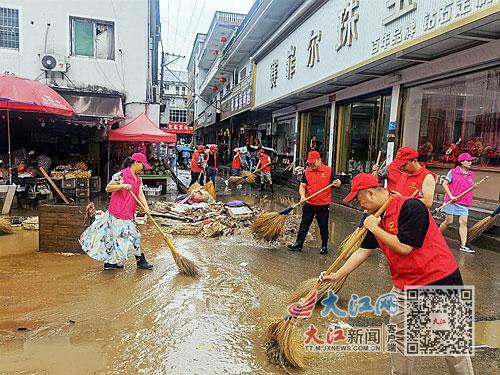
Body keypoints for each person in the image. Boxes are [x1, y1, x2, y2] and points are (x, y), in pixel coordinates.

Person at [320, 173, 473, 375]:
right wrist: (338, 275)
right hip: (405, 285)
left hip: (439, 281)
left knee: (450, 342)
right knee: (401, 339)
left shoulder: (411, 207)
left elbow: (404, 247)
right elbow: (363, 250)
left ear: (371, 193)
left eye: (359, 200)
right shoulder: (376, 217)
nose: (361, 206)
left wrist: (374, 228)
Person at [79, 153, 153, 270]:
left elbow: (140, 193)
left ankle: (121, 262)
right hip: (117, 213)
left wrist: (146, 207)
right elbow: (108, 187)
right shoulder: (122, 174)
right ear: (136, 163)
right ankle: (136, 260)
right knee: (122, 238)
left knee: (131, 237)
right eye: (142, 165)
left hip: (128, 213)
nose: (143, 168)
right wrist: (122, 186)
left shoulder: (138, 179)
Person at [288, 150, 341, 254]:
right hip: (309, 203)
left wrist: (337, 182)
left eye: (313, 163)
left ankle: (324, 246)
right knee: (304, 225)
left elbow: (338, 183)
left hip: (323, 204)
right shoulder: (307, 171)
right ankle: (299, 244)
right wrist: (303, 196)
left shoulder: (328, 170)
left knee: (323, 226)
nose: (311, 165)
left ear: (319, 160)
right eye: (310, 163)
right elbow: (302, 186)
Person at [439, 153, 476, 253]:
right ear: (461, 162)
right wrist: (451, 196)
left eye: (471, 160)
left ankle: (463, 245)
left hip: (464, 202)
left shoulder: (471, 174)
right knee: (449, 221)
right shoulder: (453, 172)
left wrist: (472, 186)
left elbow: (468, 185)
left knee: (463, 222)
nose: (470, 162)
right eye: (468, 161)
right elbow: (445, 184)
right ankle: (437, 236)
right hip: (451, 201)